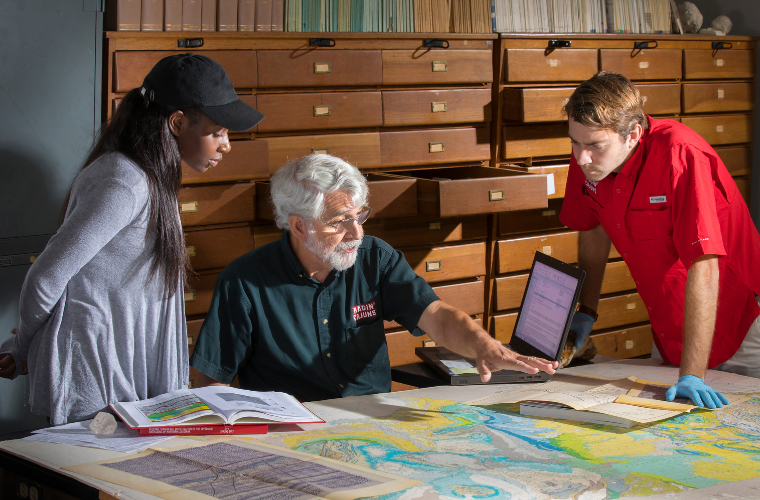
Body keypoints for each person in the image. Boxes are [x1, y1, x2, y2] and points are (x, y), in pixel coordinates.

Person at [0, 54, 265, 424]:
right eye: (217, 131)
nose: (227, 144)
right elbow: (46, 276)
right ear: (177, 122)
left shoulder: (152, 175)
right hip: (95, 377)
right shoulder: (124, 181)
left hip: (123, 368)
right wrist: (24, 348)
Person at [189, 154, 558, 401]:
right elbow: (211, 383)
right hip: (293, 433)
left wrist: (486, 347)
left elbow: (438, 316)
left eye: (359, 216)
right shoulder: (244, 282)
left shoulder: (375, 258)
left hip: (372, 424)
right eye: (338, 222)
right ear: (299, 226)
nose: (356, 234)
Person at [561, 71, 760, 409]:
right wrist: (587, 311)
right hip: (672, 322)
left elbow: (705, 263)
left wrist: (693, 373)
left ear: (633, 135)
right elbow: (593, 227)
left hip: (742, 318)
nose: (581, 158)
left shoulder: (681, 154)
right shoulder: (591, 157)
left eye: (594, 146)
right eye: (575, 142)